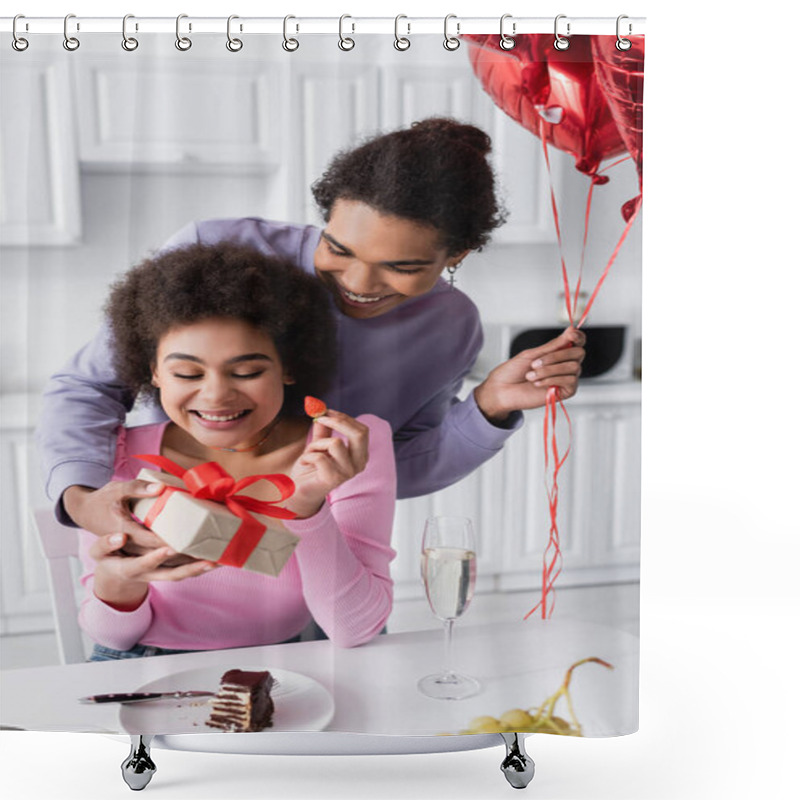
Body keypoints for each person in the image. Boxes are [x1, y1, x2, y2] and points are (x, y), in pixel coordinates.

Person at [36, 117, 585, 554]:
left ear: (456, 256)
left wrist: (487, 407)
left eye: (401, 266)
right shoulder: (218, 249)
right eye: (338, 249)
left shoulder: (452, 326)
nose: (357, 283)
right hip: (171, 559)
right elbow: (87, 387)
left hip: (322, 569)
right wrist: (81, 499)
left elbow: (394, 466)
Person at [78, 242, 395, 658]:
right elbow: (112, 639)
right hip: (144, 663)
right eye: (186, 372)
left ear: (289, 366)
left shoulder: (343, 447)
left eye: (246, 371)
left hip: (291, 662)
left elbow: (353, 629)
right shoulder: (119, 451)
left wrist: (307, 508)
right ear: (154, 371)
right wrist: (120, 580)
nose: (215, 395)